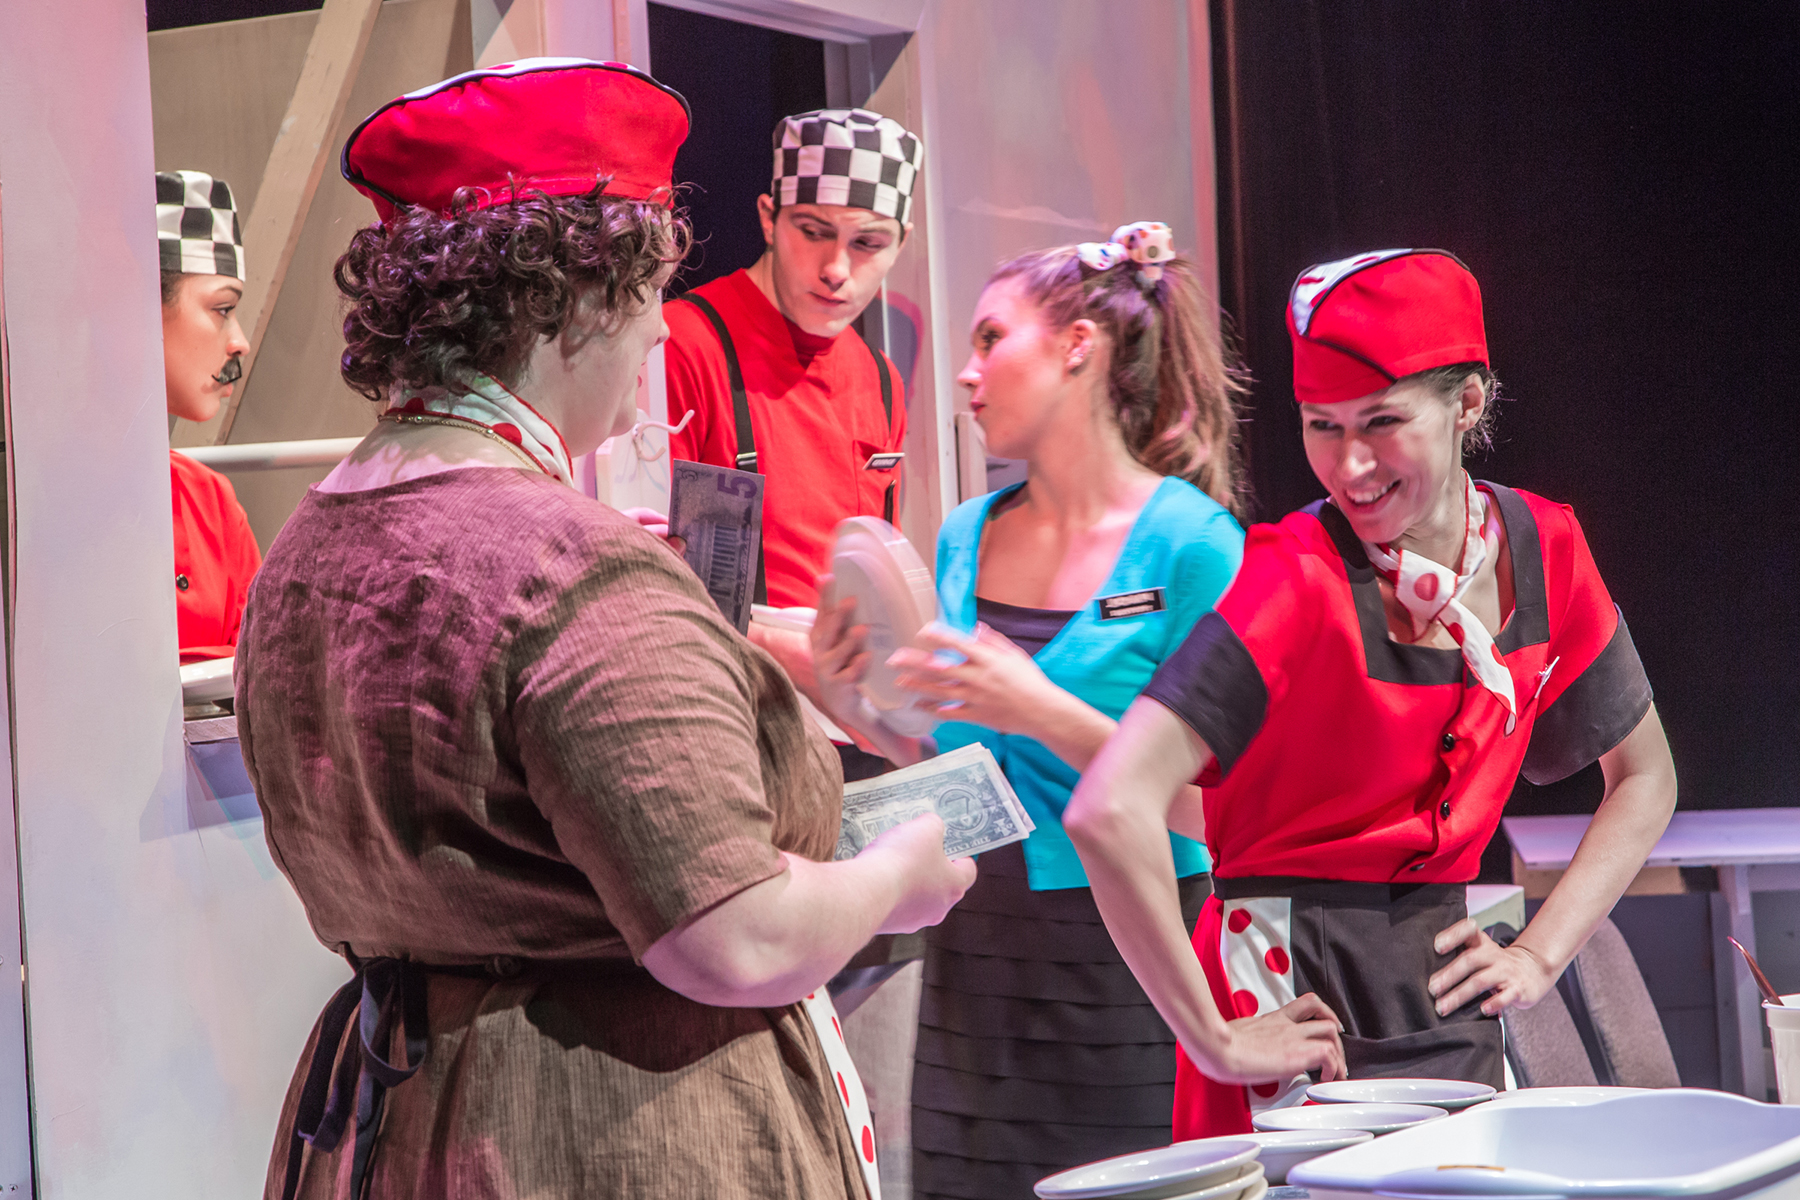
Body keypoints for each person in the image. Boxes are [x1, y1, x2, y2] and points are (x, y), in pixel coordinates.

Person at [235, 60, 973, 1200]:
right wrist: (896, 877)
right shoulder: (574, 568)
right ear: (573, 303)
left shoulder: (304, 551)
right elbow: (736, 936)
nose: (656, 343)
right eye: (645, 299)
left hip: (397, 1124)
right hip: (604, 1132)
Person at [1064, 248, 1678, 1138]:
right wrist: (1211, 1037)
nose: (1350, 464)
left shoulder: (1545, 548)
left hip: (1447, 1001)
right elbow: (1107, 808)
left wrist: (1542, 954)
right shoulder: (1291, 577)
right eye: (1322, 425)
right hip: (1283, 1000)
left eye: (1382, 422)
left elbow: (1647, 777)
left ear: (1468, 403)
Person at [812, 226, 1344, 1199]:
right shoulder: (964, 536)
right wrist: (849, 695)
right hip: (976, 969)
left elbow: (1237, 817)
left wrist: (1040, 707)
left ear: (1078, 347)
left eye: (991, 338)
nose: (966, 373)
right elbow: (962, 770)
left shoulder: (1196, 545)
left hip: (1136, 972)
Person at [663, 107, 921, 713]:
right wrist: (784, 653)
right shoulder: (683, 344)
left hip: (855, 723)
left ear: (901, 244)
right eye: (813, 231)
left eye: (867, 243)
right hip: (731, 709)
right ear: (769, 218)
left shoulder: (881, 379)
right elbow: (644, 578)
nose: (836, 270)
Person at [158, 169, 259, 662]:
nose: (240, 342)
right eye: (222, 308)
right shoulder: (35, 500)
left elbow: (262, 667)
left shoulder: (213, 500)